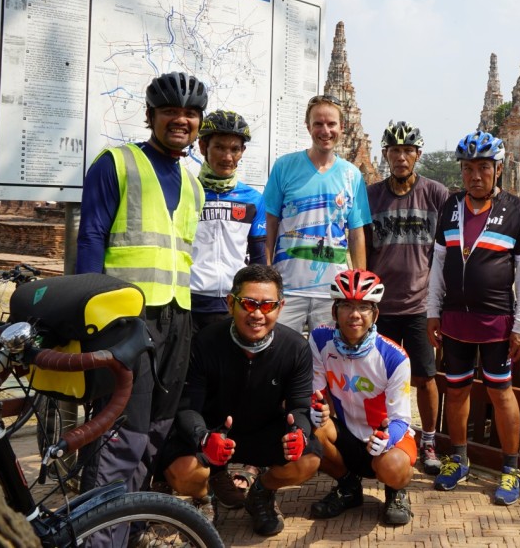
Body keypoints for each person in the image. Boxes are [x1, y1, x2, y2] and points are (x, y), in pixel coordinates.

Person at [75, 71, 207, 543]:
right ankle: (97, 538)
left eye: (190, 113)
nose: (181, 119)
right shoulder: (117, 163)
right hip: (123, 318)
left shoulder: (194, 183)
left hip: (177, 317)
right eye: (170, 111)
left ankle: (125, 530)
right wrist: (91, 315)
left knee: (154, 430)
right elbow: (90, 238)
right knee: (118, 433)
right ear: (150, 116)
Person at [156, 264, 320, 536]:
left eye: (267, 306)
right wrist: (203, 438)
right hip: (214, 433)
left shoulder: (296, 347)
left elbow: (299, 405)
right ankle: (205, 497)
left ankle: (261, 493)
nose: (257, 314)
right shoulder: (204, 342)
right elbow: (187, 407)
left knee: (308, 460)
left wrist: (299, 432)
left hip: (264, 431)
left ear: (280, 307)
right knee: (181, 472)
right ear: (231, 303)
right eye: (248, 304)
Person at [426, 130, 520, 506]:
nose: (476, 175)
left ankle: (510, 469)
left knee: (500, 392)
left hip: (497, 322)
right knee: (455, 390)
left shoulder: (516, 210)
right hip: (455, 319)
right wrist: (432, 311)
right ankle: (457, 459)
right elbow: (438, 264)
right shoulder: (450, 207)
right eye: (469, 168)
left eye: (484, 167)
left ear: (499, 169)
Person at [365, 120, 449, 473]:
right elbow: (363, 248)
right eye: (395, 151)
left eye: (407, 151)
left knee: (425, 377)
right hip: (380, 305)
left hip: (419, 304)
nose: (401, 157)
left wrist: (442, 303)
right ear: (386, 154)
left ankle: (428, 440)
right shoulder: (371, 196)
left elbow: (447, 250)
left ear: (418, 154)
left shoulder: (436, 194)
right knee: (377, 378)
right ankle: (382, 437)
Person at [309, 269, 417, 526]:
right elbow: (314, 394)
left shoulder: (394, 357)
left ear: (375, 314)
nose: (354, 314)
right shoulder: (319, 339)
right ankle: (348, 488)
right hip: (347, 434)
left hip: (383, 437)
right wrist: (314, 409)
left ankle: (396, 491)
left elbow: (401, 419)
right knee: (308, 430)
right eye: (346, 305)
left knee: (393, 467)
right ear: (334, 311)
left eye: (364, 307)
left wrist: (386, 439)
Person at [263, 94, 371, 334]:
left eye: (331, 124)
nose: (325, 130)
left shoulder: (352, 175)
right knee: (280, 356)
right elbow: (270, 222)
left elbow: (356, 233)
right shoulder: (285, 167)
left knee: (329, 359)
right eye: (318, 124)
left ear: (342, 127)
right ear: (308, 126)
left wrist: (359, 284)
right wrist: (268, 271)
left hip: (332, 292)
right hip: (287, 287)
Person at [190, 110, 267, 333]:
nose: (227, 157)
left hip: (233, 303)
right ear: (204, 147)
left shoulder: (253, 199)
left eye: (234, 149)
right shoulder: (186, 191)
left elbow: (259, 257)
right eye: (220, 147)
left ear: (242, 152)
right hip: (190, 302)